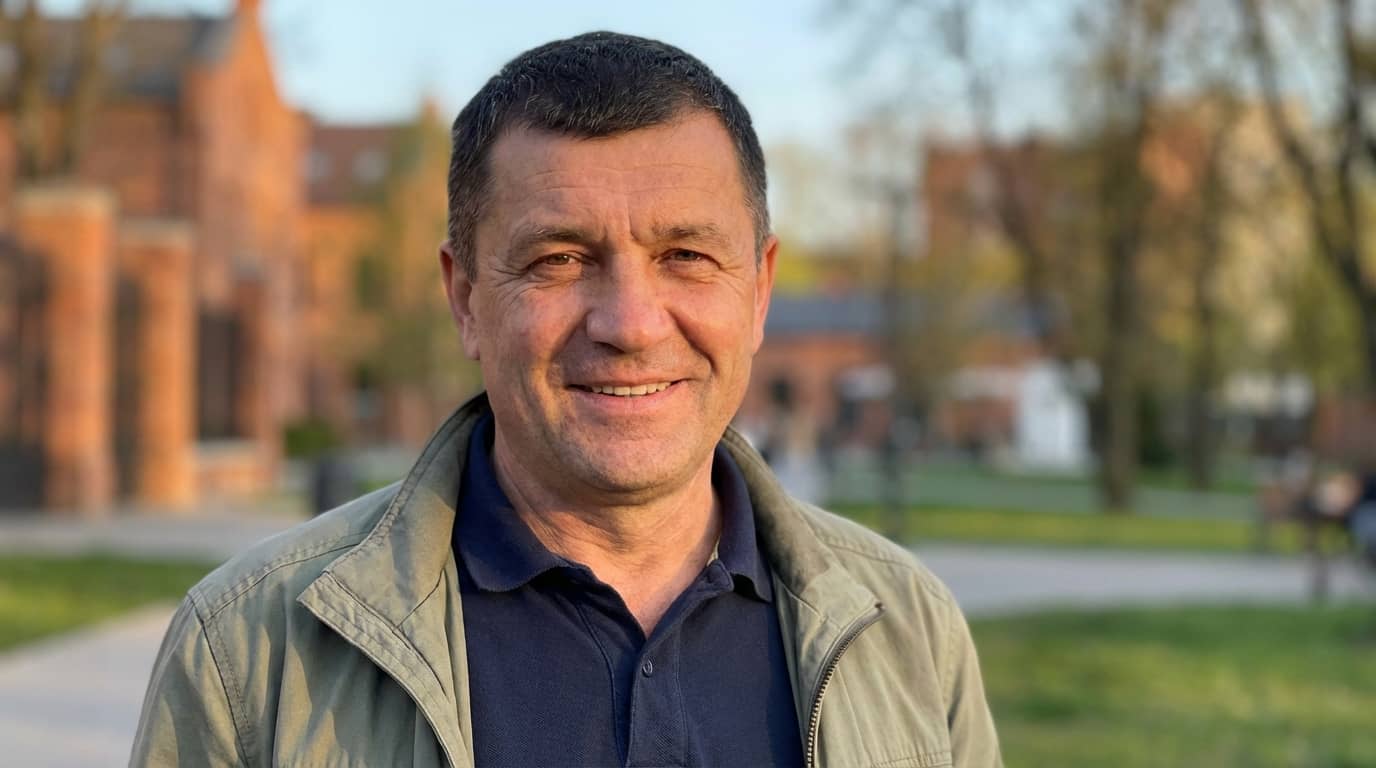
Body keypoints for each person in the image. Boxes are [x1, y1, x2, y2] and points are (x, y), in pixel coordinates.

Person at [131, 32, 1000, 767]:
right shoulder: (248, 653)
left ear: (761, 291)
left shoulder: (910, 634)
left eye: (687, 257)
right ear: (466, 297)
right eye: (559, 260)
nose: (629, 324)